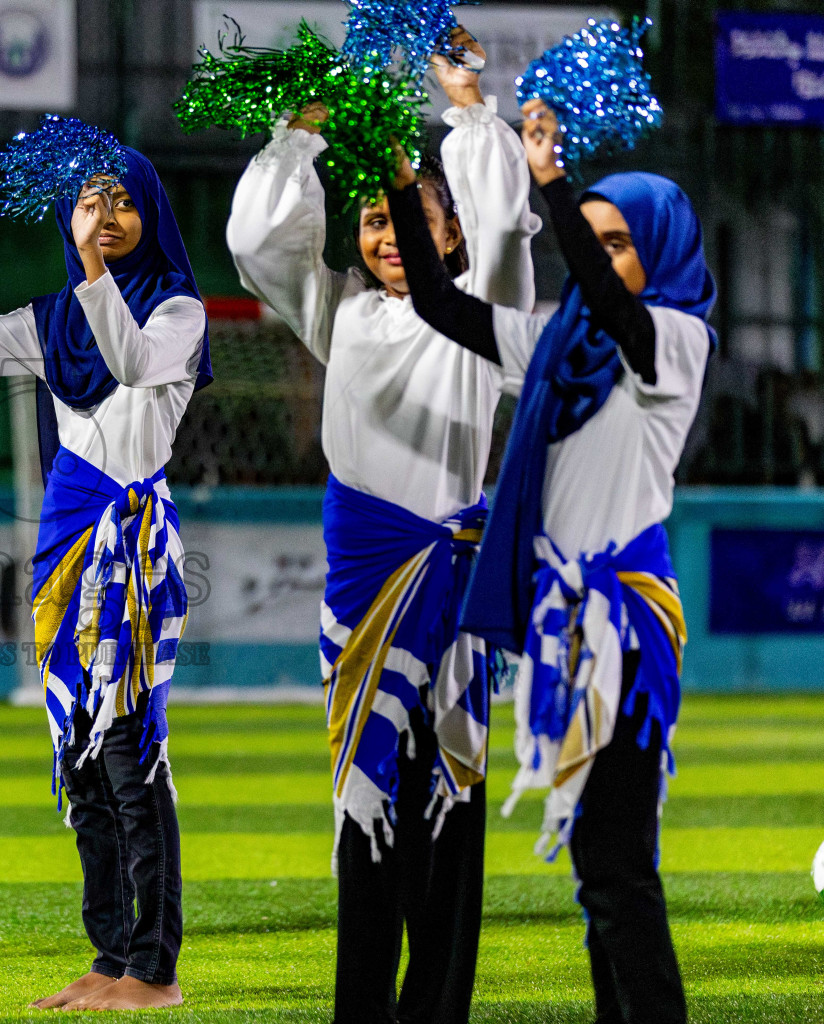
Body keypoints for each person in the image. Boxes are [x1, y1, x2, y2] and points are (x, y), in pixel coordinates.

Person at [225, 28, 537, 1024]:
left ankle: (435, 1010)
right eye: (369, 221)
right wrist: (299, 135)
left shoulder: (476, 311)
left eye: (406, 220)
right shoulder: (342, 312)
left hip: (445, 598)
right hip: (362, 598)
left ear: (451, 236)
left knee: (446, 810)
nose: (387, 236)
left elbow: (506, 229)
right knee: (364, 816)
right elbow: (258, 248)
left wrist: (468, 109)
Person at [386, 99, 716, 1024]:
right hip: (567, 630)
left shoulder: (675, 341)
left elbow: (612, 304)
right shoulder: (562, 345)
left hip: (625, 627)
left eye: (619, 243)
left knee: (614, 868)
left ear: (661, 251)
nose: (601, 259)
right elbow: (441, 303)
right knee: (599, 869)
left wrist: (553, 185)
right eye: (593, 242)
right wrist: (405, 189)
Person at [0, 140, 208, 1011]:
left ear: (151, 212)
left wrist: (93, 267)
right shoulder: (55, 317)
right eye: (90, 203)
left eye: (123, 202)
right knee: (83, 760)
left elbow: (131, 360)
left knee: (131, 752)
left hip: (129, 550)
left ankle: (156, 969)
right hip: (65, 552)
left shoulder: (178, 310)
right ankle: (110, 955)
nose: (106, 217)